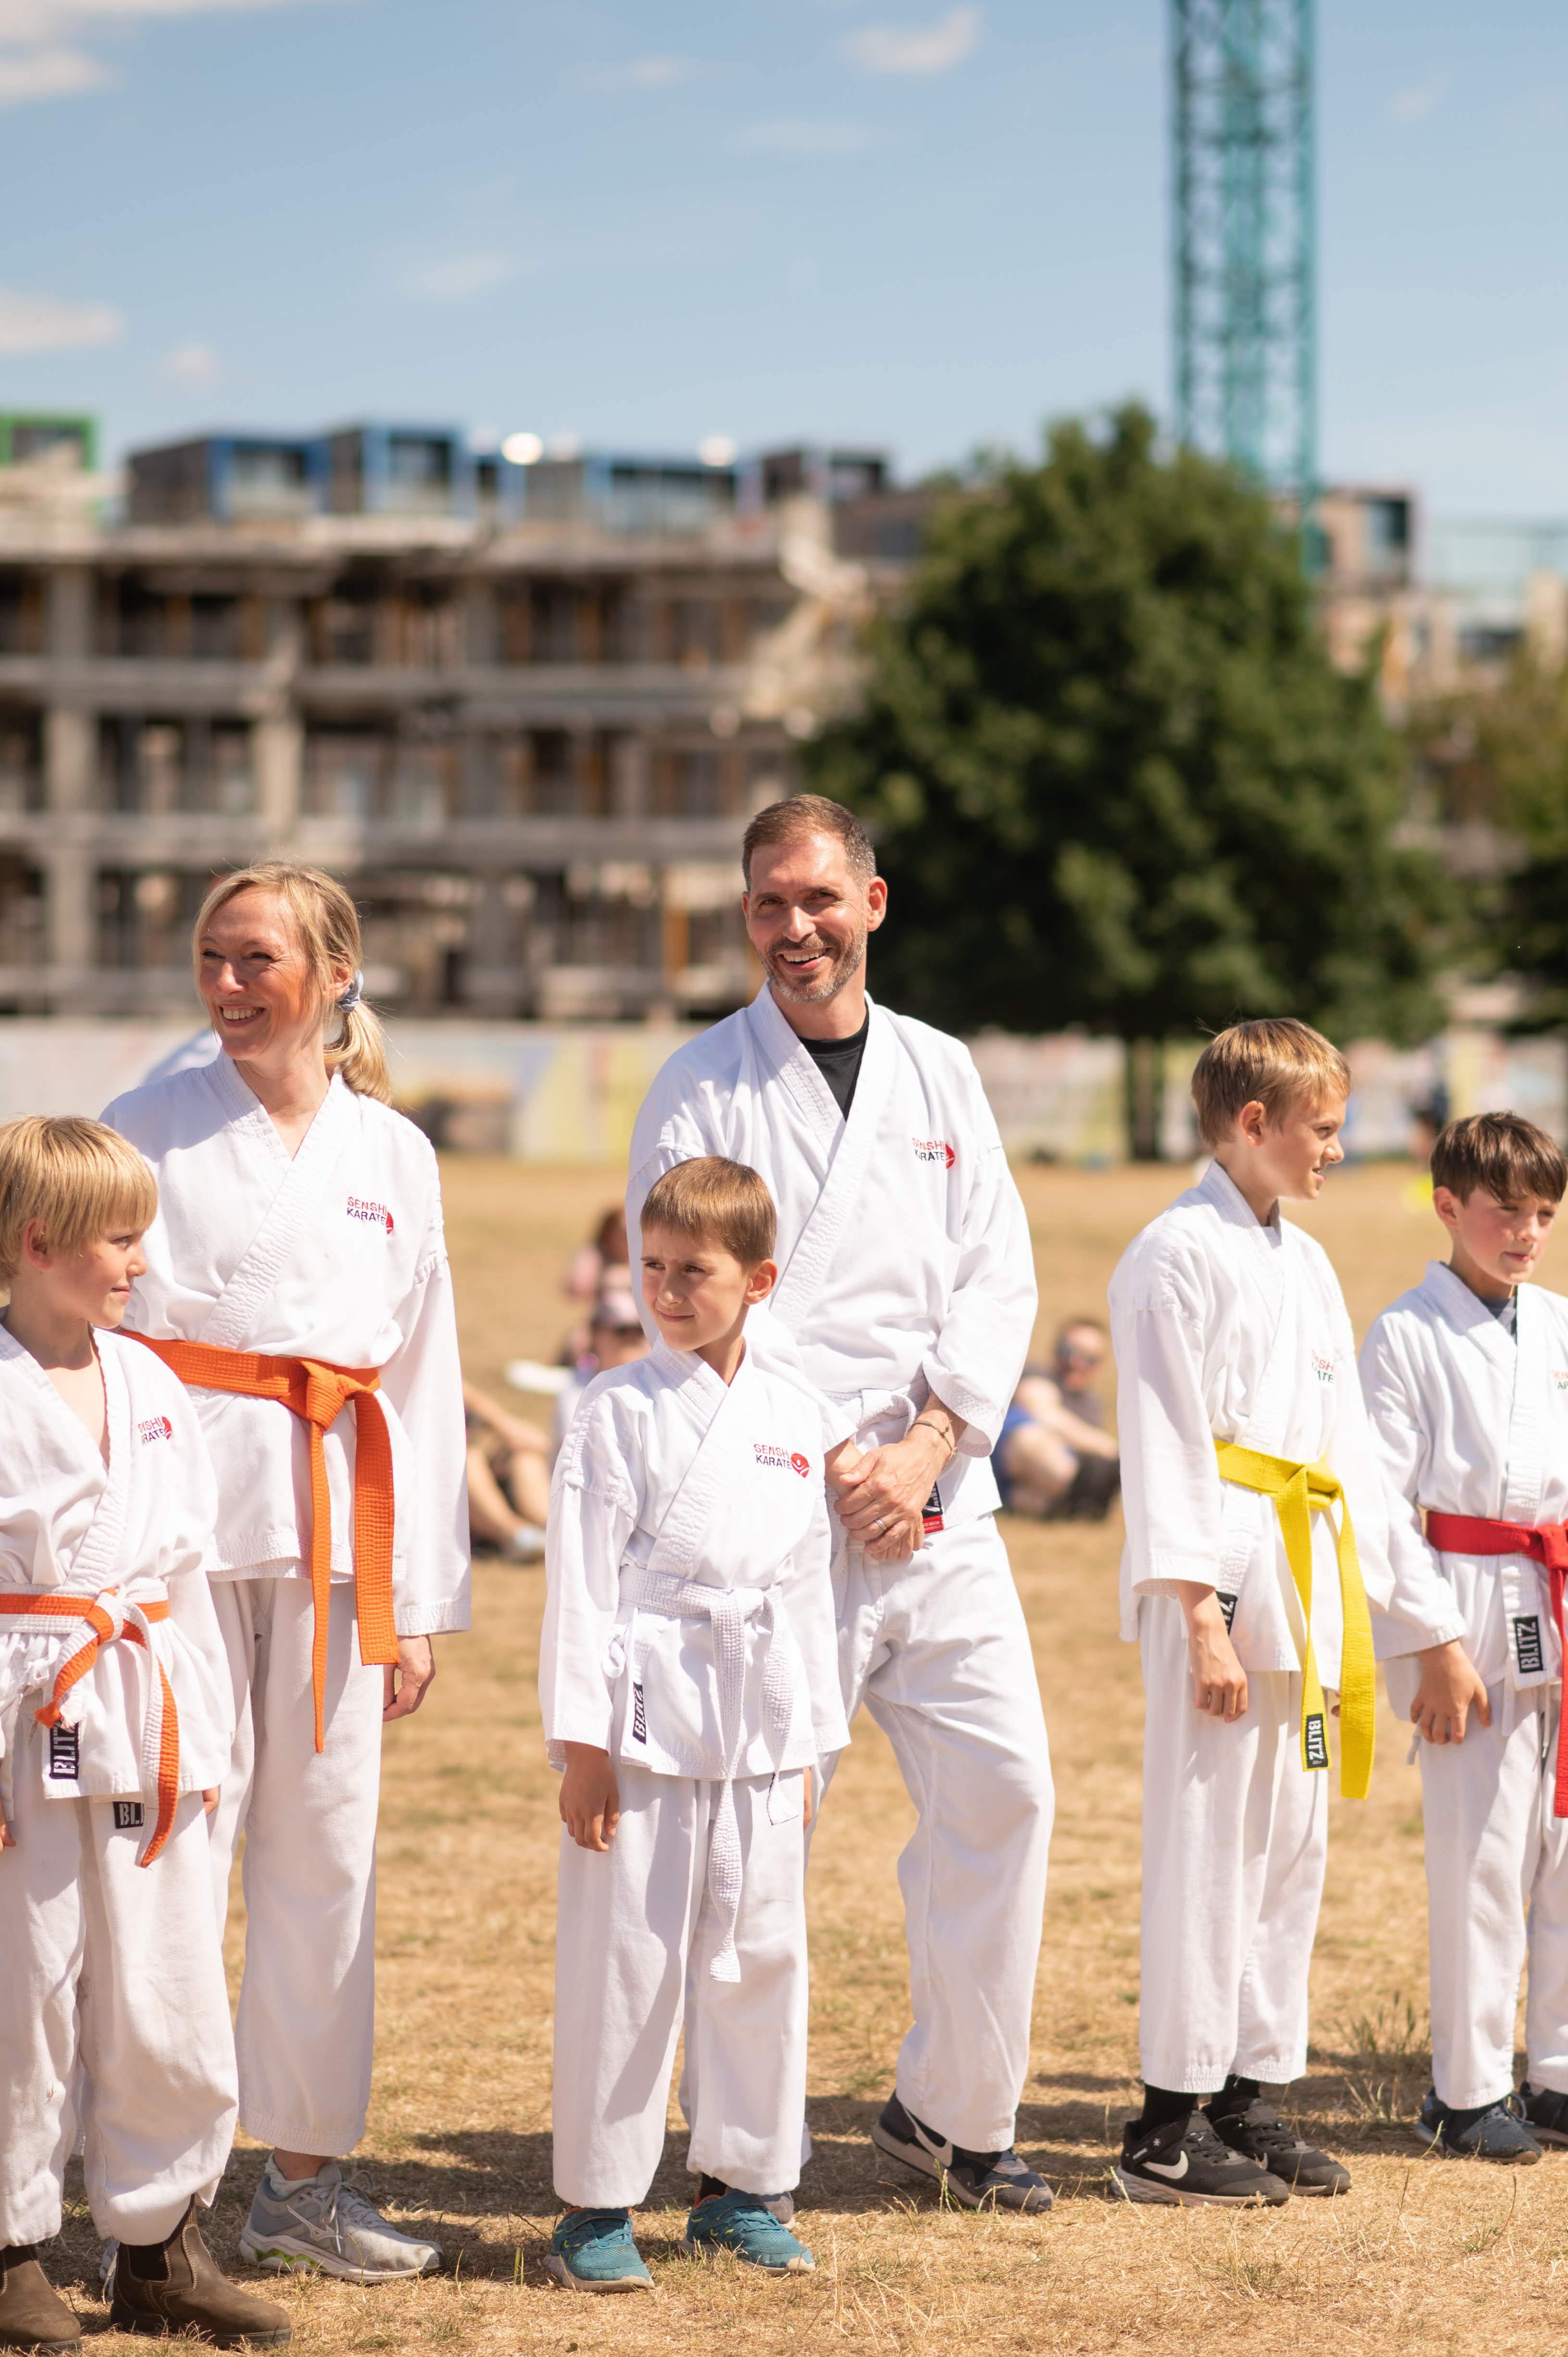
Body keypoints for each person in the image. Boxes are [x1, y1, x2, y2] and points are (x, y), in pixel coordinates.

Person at [627, 795, 1054, 2215]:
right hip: (777, 1508)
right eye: (769, 902)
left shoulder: (941, 1071)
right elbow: (686, 1292)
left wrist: (928, 1443)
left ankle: (955, 2112)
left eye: (818, 897)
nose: (795, 925)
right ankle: (738, 2149)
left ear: (872, 901)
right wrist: (825, 1458)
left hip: (938, 1500)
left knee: (1007, 1792)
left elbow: (996, 1273)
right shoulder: (700, 1082)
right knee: (761, 1836)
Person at [101, 862, 469, 2283]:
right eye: (213, 956)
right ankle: (160, 2190)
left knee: (325, 1853)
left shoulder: (396, 1154)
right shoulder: (145, 1124)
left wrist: (415, 1598)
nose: (229, 983)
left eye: (258, 958)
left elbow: (420, 1384)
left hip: (337, 1529)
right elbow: (90, 1340)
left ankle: (304, 2180)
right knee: (176, 1844)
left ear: (335, 973)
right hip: (180, 1527)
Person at [0, 1116, 289, 2352]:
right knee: (23, 1984)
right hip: (26, 1714)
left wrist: (209, 1738)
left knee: (168, 1980)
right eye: (119, 1241)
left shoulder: (153, 1383)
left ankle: (162, 2244)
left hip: (149, 1708)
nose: (140, 1262)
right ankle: (10, 2247)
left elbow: (183, 1577)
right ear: (37, 1243)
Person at [541, 1158, 850, 2290]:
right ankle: (596, 2204)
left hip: (761, 1720)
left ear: (758, 1280)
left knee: (760, 1952)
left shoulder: (797, 1412)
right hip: (643, 1717)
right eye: (654, 1266)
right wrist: (583, 1745)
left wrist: (809, 1740)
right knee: (630, 1955)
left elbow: (806, 1585)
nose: (667, 1291)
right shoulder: (615, 1406)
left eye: (695, 1272)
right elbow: (580, 1584)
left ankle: (744, 2186)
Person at [1108, 1018, 1392, 2206]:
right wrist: (1198, 1617)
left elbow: (1347, 1447)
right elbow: (1163, 1444)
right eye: (1320, 1128)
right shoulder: (1171, 1255)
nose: (1337, 1147)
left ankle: (1248, 2089)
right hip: (1218, 1573)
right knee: (1207, 1841)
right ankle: (1165, 2124)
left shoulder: (1306, 1260)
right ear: (1252, 1122)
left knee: (1287, 1842)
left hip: (1303, 1574)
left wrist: (1380, 1610)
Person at [1361, 1111, 1568, 2163]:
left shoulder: (1560, 1324)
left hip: (1557, 1590)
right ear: (1447, 1205)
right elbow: (1378, 1505)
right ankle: (1465, 2090)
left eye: (1544, 1214)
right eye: (1505, 1211)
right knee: (1482, 1854)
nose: (1526, 1233)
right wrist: (1432, 1644)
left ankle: (1556, 2072)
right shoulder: (1405, 1334)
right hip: (1469, 1601)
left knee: (1565, 1853)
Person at [465, 1290, 649, 1562]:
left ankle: (545, 1536)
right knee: (522, 1460)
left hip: (628, 1500)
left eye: (639, 1331)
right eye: (621, 1331)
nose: (630, 1340)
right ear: (597, 1336)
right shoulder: (579, 1389)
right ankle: (542, 1536)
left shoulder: (659, 1387)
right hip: (582, 1493)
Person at [994, 1319, 1120, 1521]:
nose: (1076, 1362)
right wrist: (1112, 1452)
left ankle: (1076, 1504)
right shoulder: (1038, 1375)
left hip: (1021, 1489)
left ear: (1099, 1366)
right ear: (1056, 1349)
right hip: (1004, 1458)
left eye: (1089, 1359)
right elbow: (1044, 1412)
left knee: (1040, 1501)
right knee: (1032, 1438)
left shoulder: (1091, 1407)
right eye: (1069, 1352)